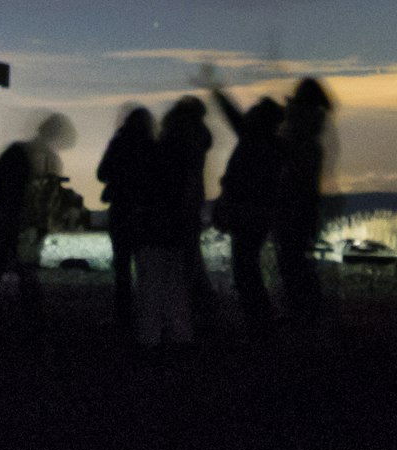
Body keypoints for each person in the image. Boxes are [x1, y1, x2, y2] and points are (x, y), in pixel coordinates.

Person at [0, 117, 71, 330]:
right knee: (26, 269)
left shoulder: (18, 150)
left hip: (4, 215)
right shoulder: (50, 159)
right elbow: (49, 196)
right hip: (28, 220)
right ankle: (31, 316)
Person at [130, 95, 214, 349]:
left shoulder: (165, 149)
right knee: (176, 280)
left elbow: (151, 187)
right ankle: (182, 333)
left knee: (153, 281)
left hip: (158, 221)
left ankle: (151, 337)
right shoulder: (194, 147)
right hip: (180, 220)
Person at [207, 83, 285, 339]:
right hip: (259, 214)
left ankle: (259, 322)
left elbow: (235, 117)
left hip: (248, 214)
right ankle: (261, 320)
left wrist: (218, 93)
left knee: (245, 269)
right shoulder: (275, 146)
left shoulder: (255, 141)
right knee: (247, 267)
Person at [276, 76, 336, 328]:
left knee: (292, 263)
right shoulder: (313, 132)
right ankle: (306, 314)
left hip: (293, 206)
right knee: (297, 262)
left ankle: (304, 315)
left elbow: (291, 167)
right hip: (302, 207)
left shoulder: (300, 134)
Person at [93, 105, 157, 329]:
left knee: (121, 265)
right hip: (144, 212)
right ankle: (147, 315)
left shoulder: (119, 142)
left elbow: (102, 173)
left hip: (121, 210)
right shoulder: (153, 146)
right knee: (144, 265)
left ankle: (123, 315)